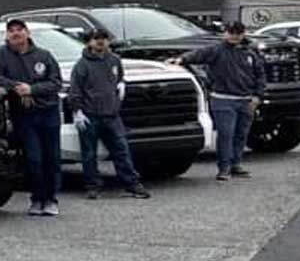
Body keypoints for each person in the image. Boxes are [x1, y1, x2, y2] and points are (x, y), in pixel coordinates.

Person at [0, 19, 64, 216]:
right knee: (34, 159)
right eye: (11, 31)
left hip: (48, 113)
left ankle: (51, 199)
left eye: (19, 30)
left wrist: (33, 89)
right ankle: (37, 198)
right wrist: (18, 88)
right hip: (24, 116)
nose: (15, 34)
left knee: (52, 158)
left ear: (27, 33)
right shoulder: (1, 54)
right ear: (7, 35)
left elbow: (56, 83)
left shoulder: (44, 55)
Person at [173, 22, 266, 181]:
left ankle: (235, 164)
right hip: (223, 100)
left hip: (246, 101)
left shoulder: (251, 53)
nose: (234, 35)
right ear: (225, 33)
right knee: (226, 135)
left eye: (238, 32)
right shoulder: (216, 50)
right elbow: (197, 55)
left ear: (243, 34)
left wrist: (258, 96)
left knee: (241, 135)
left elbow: (260, 75)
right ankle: (224, 168)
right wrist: (181, 59)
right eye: (231, 32)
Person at [70, 28, 151, 199]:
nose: (100, 42)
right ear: (89, 42)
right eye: (96, 38)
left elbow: (119, 78)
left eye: (104, 38)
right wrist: (77, 111)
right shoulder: (81, 65)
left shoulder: (115, 60)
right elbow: (75, 91)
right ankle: (93, 186)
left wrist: (122, 83)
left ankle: (132, 184)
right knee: (89, 153)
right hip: (90, 115)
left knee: (121, 150)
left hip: (112, 115)